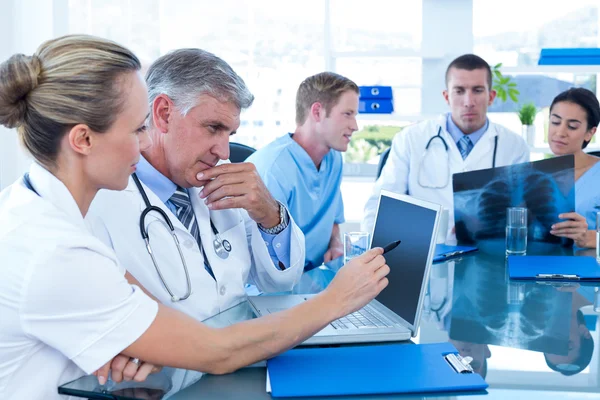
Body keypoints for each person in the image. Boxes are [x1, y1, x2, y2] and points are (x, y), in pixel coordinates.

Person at [0, 34, 390, 399]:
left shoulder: (41, 214)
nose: (144, 141)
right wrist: (337, 299)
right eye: (137, 129)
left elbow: (133, 304)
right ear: (84, 139)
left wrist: (136, 335)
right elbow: (214, 350)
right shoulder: (54, 248)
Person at [88, 49, 306, 321]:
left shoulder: (224, 183)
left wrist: (270, 214)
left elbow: (280, 283)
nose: (224, 152)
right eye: (213, 128)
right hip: (175, 359)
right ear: (164, 114)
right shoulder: (102, 201)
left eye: (230, 133)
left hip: (243, 349)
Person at [362, 54, 530, 236]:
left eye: (478, 90)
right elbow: (380, 206)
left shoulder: (514, 146)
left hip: (487, 254)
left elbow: (522, 215)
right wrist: (375, 255)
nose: (468, 102)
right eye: (459, 91)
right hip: (425, 252)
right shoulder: (411, 139)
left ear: (491, 96)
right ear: (446, 96)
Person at [247, 72, 359, 269]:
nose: (355, 126)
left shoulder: (334, 159)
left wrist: (336, 244)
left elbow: (332, 219)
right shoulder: (272, 169)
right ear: (317, 112)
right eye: (347, 114)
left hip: (315, 276)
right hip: (275, 284)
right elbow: (262, 260)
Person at [546, 88, 600, 248]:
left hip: (589, 268)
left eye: (572, 126)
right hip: (538, 265)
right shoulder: (533, 175)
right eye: (555, 122)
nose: (560, 132)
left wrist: (591, 238)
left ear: (590, 133)